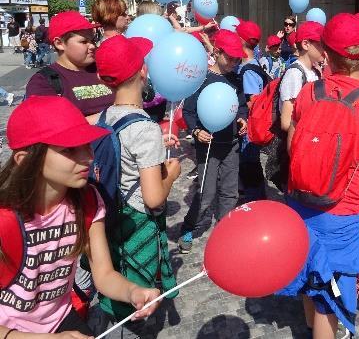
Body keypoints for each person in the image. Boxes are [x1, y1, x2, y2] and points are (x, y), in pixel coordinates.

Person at [278, 13, 359, 338]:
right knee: (329, 302)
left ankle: (309, 329)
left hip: (301, 202)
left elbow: (293, 148)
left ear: (327, 55)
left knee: (310, 278)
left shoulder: (309, 92)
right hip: (343, 215)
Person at [0, 96, 160, 337]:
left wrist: (132, 292)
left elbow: (104, 274)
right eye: (69, 150)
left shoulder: (87, 200)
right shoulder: (5, 220)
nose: (88, 157)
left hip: (61, 321)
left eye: (87, 145)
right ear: (24, 161)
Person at [92, 35, 181, 334]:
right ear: (143, 71)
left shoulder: (106, 116)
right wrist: (172, 172)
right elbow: (154, 198)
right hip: (138, 223)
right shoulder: (145, 127)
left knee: (117, 276)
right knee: (139, 304)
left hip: (114, 215)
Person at [178, 30, 248, 253]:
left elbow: (241, 106)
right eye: (231, 57)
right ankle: (188, 228)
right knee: (206, 193)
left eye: (238, 58)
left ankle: (224, 231)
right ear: (216, 52)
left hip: (231, 144)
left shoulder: (236, 79)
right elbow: (188, 112)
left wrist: (242, 119)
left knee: (230, 192)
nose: (234, 62)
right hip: (207, 145)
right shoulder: (201, 80)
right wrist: (196, 130)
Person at [25, 11, 114, 123]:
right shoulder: (43, 82)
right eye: (84, 41)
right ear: (59, 43)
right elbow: (52, 126)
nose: (92, 46)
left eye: (93, 40)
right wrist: (111, 117)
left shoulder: (104, 69)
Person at [265, 22, 323, 192]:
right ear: (306, 44)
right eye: (321, 44)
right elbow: (286, 121)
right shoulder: (295, 74)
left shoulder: (314, 71)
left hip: (310, 143)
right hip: (296, 147)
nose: (324, 48)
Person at [237, 20, 268, 201]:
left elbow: (253, 101)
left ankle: (255, 201)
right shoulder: (251, 64)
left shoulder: (248, 69)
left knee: (250, 165)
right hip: (248, 125)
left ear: (241, 40)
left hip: (249, 127)